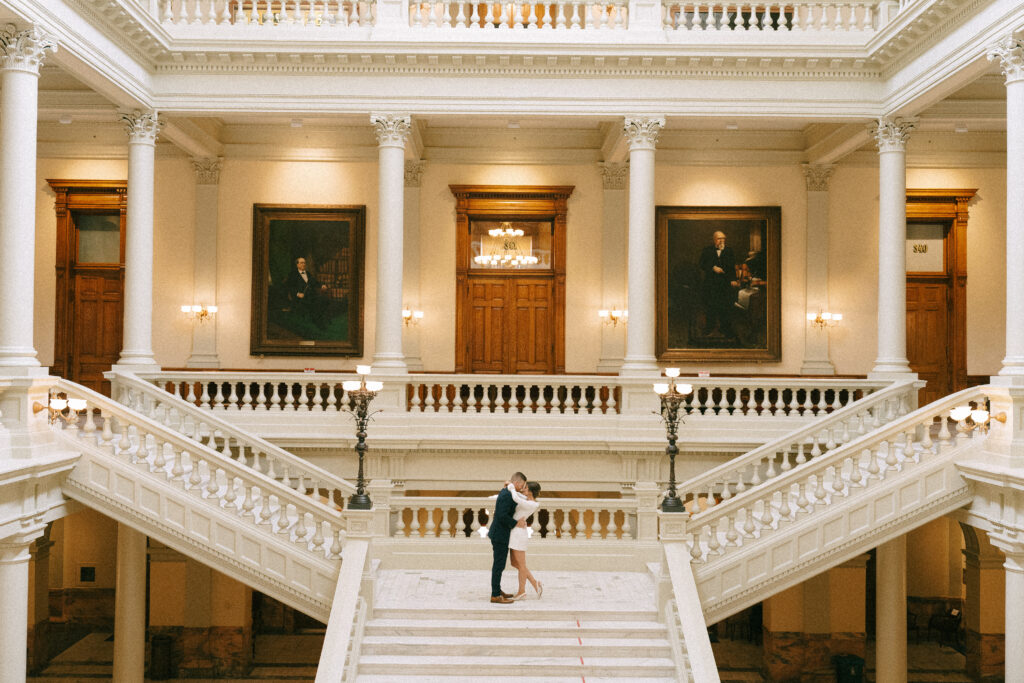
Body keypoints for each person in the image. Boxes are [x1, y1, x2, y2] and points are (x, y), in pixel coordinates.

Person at [487, 471, 526, 604]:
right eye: (522, 485)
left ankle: (497, 590)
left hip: (500, 534)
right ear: (516, 482)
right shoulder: (507, 495)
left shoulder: (508, 492)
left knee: (500, 565)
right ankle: (495, 595)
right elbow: (501, 515)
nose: (522, 487)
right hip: (499, 535)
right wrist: (516, 523)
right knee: (498, 565)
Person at [698, 230, 738, 337]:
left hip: (725, 284)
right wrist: (713, 267)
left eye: (723, 238)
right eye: (719, 238)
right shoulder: (707, 250)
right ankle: (709, 328)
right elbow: (701, 264)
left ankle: (725, 328)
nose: (722, 241)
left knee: (725, 306)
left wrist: (733, 279)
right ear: (714, 239)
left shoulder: (729, 251)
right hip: (711, 284)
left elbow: (732, 267)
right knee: (710, 306)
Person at [507, 481, 542, 600]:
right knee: (514, 563)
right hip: (514, 532)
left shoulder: (532, 504)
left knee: (521, 565)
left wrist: (511, 487)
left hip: (519, 534)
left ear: (531, 491)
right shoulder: (526, 499)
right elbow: (518, 496)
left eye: (526, 488)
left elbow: (516, 498)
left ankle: (521, 591)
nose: (523, 489)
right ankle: (534, 583)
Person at [286, 257, 328, 323]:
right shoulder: (293, 275)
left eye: (304, 263)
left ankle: (319, 318)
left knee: (322, 300)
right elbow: (290, 287)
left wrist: (321, 286)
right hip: (300, 297)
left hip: (310, 295)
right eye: (301, 263)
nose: (304, 264)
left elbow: (314, 282)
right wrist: (298, 294)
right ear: (297, 265)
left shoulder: (308, 273)